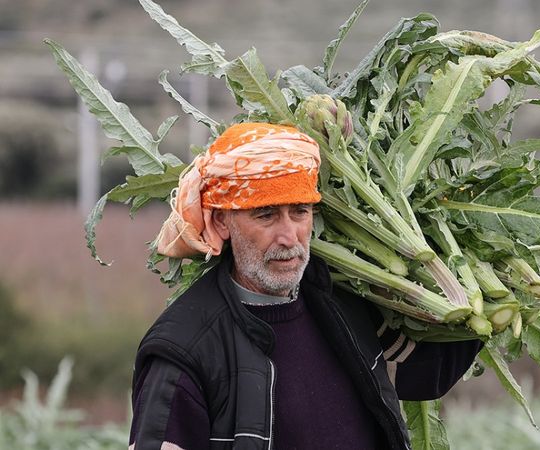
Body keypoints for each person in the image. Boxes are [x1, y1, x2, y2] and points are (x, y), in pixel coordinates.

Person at [128, 123, 482, 450]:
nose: (288, 236)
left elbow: (420, 374)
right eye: (265, 214)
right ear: (222, 221)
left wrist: (486, 290)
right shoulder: (184, 352)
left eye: (299, 212)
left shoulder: (340, 304)